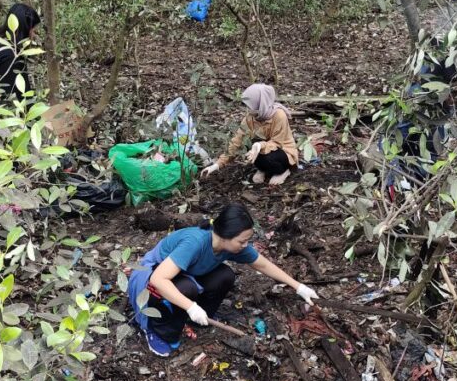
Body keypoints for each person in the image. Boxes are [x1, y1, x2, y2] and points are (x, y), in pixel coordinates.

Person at [128, 203, 319, 357]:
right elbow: (159, 279)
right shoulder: (195, 243)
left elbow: (262, 264)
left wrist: (298, 286)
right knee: (186, 290)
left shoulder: (229, 246)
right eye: (242, 241)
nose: (245, 246)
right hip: (152, 278)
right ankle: (157, 329)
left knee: (225, 275)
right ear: (226, 235)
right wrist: (190, 306)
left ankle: (198, 318)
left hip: (186, 274)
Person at [201, 84, 298, 186]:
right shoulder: (250, 117)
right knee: (247, 146)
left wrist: (260, 145)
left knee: (269, 156)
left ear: (260, 103)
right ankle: (263, 169)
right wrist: (217, 165)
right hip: (261, 151)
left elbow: (278, 142)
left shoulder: (279, 115)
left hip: (282, 152)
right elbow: (237, 141)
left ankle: (283, 171)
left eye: (250, 105)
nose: (248, 109)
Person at [0, 3, 41, 102]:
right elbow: (14, 95)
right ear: (25, 29)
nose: (33, 35)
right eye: (33, 30)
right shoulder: (11, 58)